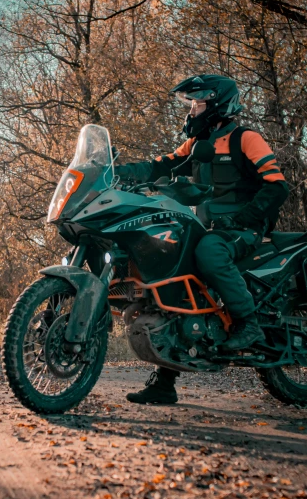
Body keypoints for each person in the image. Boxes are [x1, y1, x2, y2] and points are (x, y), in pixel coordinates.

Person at [114, 74, 290, 404]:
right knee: (173, 268)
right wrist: (118, 172)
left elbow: (277, 186)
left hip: (244, 228)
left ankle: (247, 322)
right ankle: (165, 380)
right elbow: (160, 166)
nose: (191, 110)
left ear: (217, 104)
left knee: (209, 252)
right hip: (211, 225)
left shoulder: (245, 138)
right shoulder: (196, 145)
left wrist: (240, 218)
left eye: (197, 103)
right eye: (190, 104)